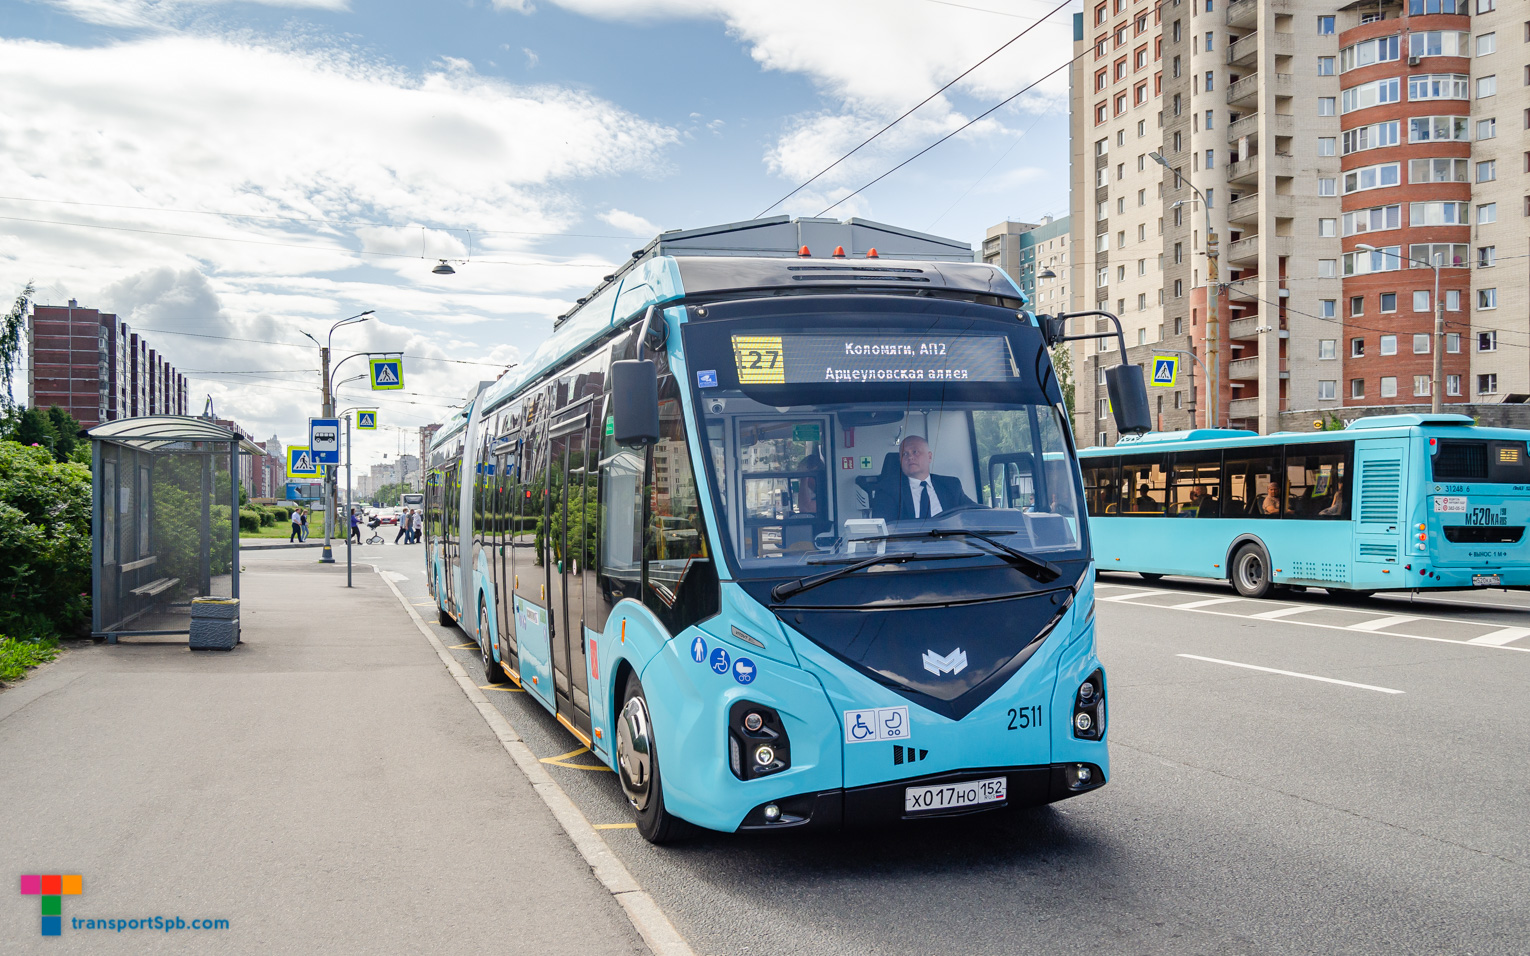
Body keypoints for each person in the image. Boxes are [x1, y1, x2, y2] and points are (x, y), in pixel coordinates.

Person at [871, 435, 979, 521]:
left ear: (929, 457)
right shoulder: (888, 490)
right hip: (909, 543)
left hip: (948, 542)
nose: (910, 457)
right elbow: (885, 530)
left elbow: (976, 512)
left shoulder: (951, 485)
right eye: (904, 454)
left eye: (915, 452)